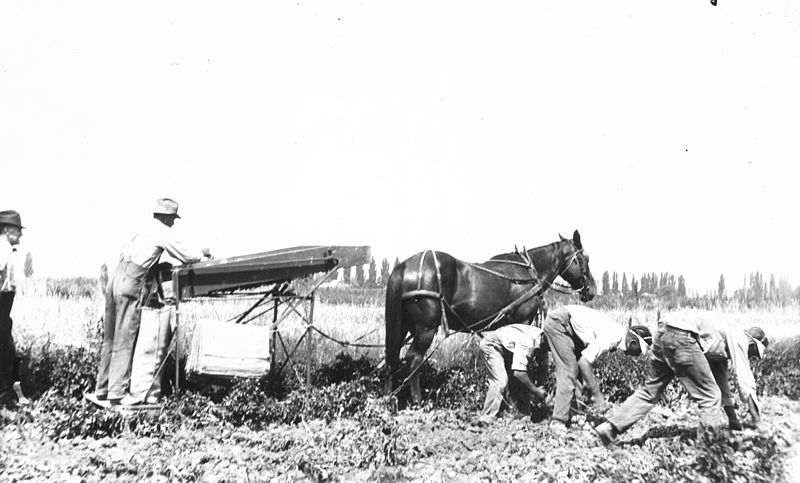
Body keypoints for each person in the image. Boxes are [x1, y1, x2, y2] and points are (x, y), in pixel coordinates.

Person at [92, 198, 211, 405]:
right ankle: (117, 393)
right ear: (165, 217)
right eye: (172, 219)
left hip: (116, 277)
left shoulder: (141, 229)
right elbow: (186, 255)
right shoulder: (163, 232)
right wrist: (203, 256)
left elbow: (127, 254)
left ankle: (102, 388)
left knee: (110, 336)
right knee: (125, 336)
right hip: (131, 281)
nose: (173, 223)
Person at [594, 310, 769, 446]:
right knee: (710, 397)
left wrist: (733, 420)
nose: (752, 357)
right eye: (754, 353)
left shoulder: (721, 338)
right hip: (682, 335)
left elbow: (721, 380)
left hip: (664, 332)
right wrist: (759, 422)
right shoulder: (739, 337)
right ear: (753, 343)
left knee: (650, 391)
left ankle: (609, 428)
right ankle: (707, 451)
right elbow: (744, 380)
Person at [542, 305, 652, 434]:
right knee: (570, 370)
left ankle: (575, 416)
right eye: (639, 351)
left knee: (577, 372)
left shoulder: (617, 335)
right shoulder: (613, 336)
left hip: (570, 328)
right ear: (632, 342)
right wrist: (597, 395)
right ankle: (558, 421)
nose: (637, 355)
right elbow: (584, 362)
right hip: (560, 324)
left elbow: (583, 362)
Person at [475, 323, 549, 425]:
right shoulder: (528, 343)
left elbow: (543, 366)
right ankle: (486, 417)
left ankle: (523, 413)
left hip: (507, 347)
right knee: (500, 380)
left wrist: (541, 387)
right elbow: (518, 373)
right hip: (492, 345)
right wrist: (536, 390)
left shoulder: (543, 340)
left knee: (527, 375)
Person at [0, 210, 29, 407]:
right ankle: (9, 392)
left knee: (6, 344)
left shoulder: (6, 247)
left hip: (5, 302)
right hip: (2, 300)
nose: (20, 234)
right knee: (6, 347)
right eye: (18, 230)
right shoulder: (2, 247)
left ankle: (9, 391)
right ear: (7, 230)